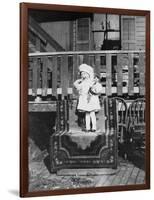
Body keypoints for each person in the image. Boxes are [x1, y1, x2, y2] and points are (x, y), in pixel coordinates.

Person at [74, 64, 103, 132]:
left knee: (92, 114)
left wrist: (94, 87)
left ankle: (94, 127)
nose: (83, 75)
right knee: (87, 114)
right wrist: (77, 82)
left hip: (91, 99)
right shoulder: (83, 83)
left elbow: (98, 88)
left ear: (89, 74)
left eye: (85, 73)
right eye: (82, 74)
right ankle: (87, 127)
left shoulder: (92, 82)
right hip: (85, 99)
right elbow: (77, 87)